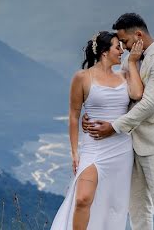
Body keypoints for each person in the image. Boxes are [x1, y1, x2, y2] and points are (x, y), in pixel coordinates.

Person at [85, 13, 154, 230]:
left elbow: (148, 105)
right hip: (130, 145)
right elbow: (121, 93)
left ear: (138, 34)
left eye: (125, 41)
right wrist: (91, 113)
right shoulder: (131, 59)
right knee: (137, 209)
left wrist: (114, 127)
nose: (124, 48)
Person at [49, 30, 145, 230]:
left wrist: (134, 62)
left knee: (113, 205)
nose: (122, 51)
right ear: (104, 52)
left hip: (120, 148)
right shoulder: (82, 77)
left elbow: (137, 93)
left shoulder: (125, 75)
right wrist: (75, 152)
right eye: (117, 47)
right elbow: (74, 115)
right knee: (83, 198)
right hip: (93, 148)